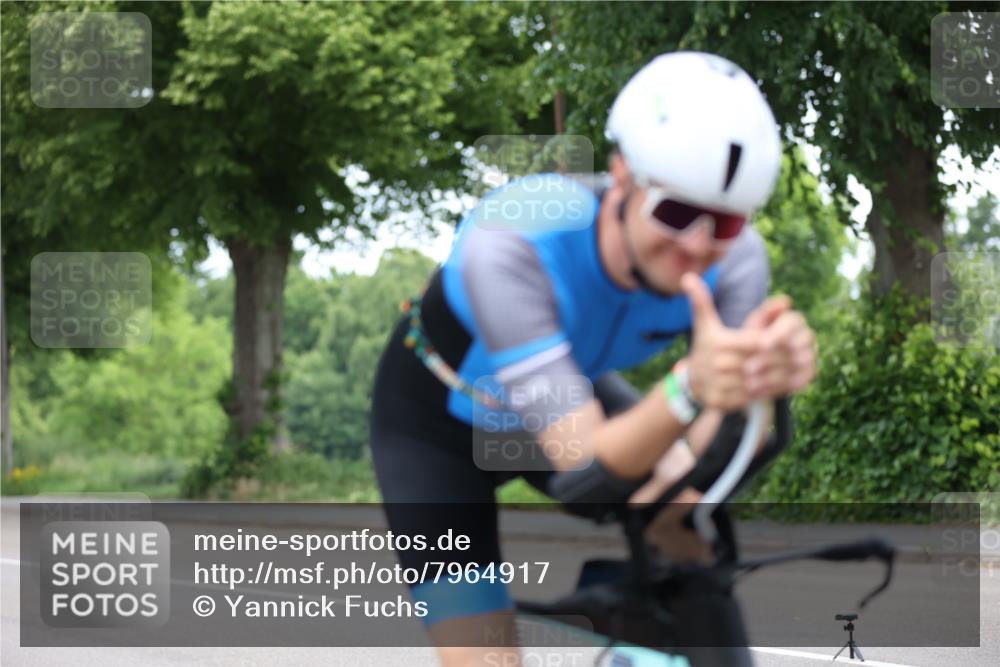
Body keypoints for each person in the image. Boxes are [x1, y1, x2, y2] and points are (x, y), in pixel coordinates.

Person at [368, 51, 818, 667]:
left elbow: (706, 452)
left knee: (683, 519)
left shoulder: (738, 262)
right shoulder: (513, 241)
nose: (697, 245)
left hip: (566, 391)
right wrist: (690, 389)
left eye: (725, 222)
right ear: (622, 176)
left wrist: (761, 384)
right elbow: (583, 459)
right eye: (676, 212)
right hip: (434, 428)